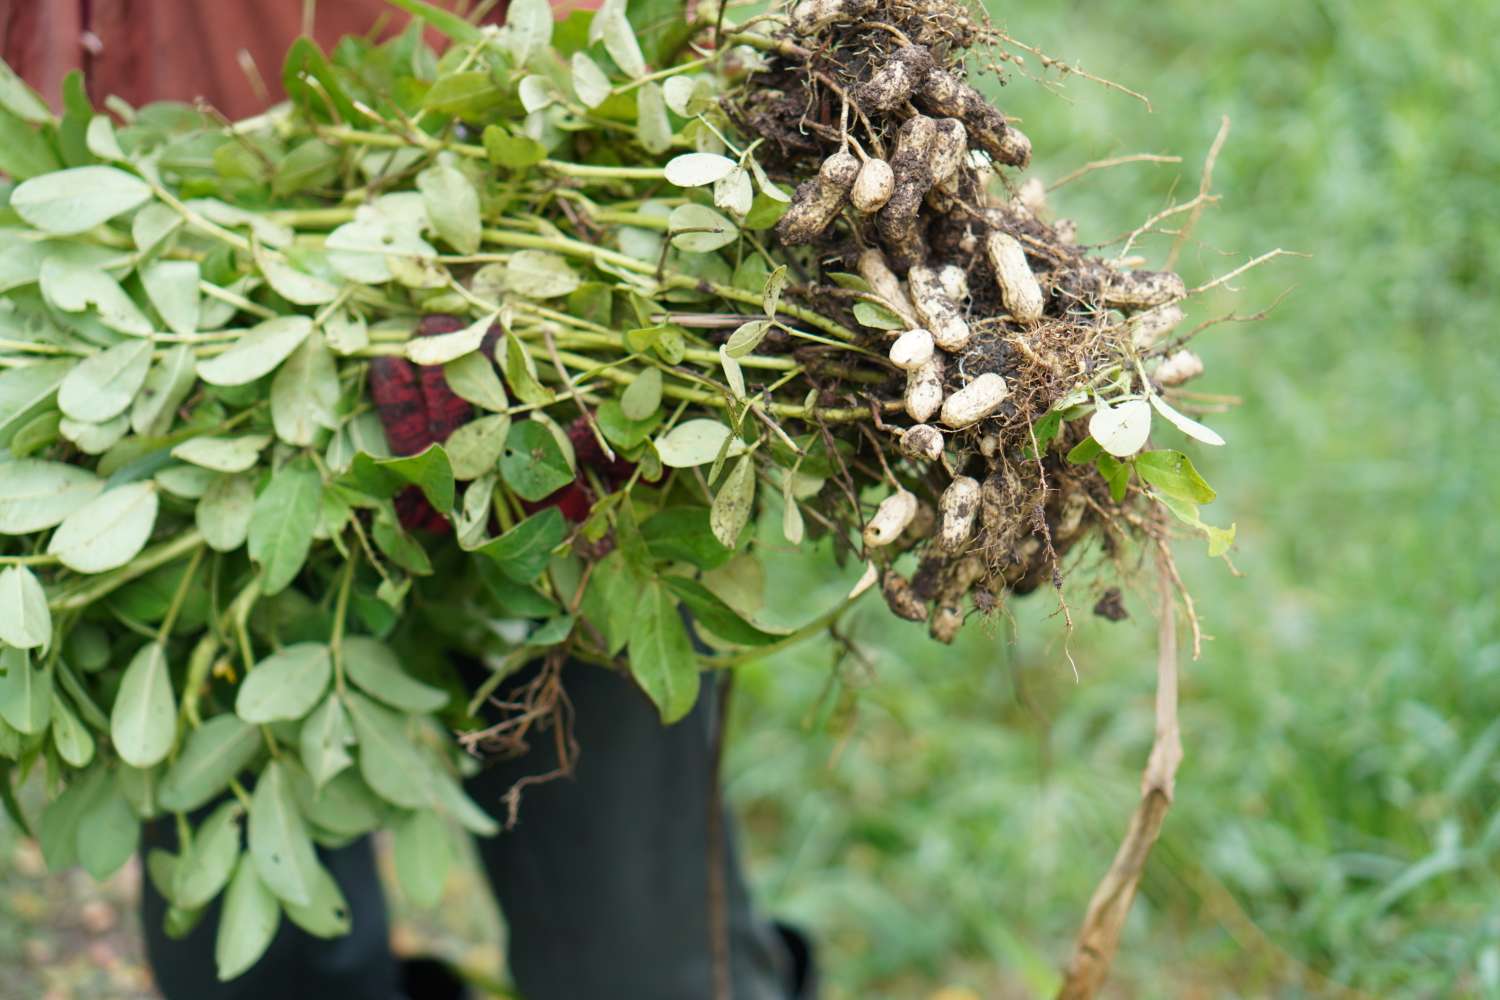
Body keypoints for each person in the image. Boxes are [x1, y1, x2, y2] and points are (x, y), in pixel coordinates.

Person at [0, 2, 816, 997]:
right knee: (267, 972)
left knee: (638, 957)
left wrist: (553, 273)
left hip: (552, 266)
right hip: (166, 293)